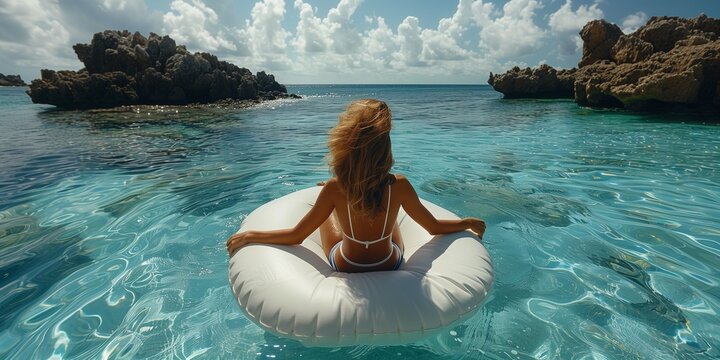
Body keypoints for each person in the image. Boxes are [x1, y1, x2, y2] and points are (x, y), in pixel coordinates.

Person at [226, 99, 486, 272]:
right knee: (389, 217)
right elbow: (434, 227)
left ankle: (336, 202)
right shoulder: (401, 186)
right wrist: (466, 222)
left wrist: (252, 235)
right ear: (385, 147)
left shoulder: (333, 188)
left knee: (329, 211)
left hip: (347, 263)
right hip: (389, 262)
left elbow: (296, 236)